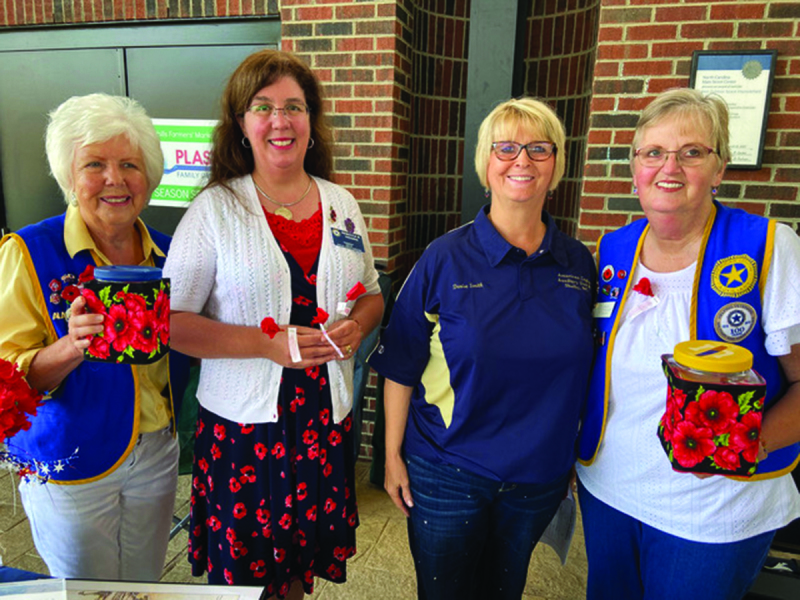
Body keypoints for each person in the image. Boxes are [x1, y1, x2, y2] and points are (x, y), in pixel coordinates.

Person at [163, 49, 383, 599]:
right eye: (263, 107)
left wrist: (358, 325)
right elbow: (169, 322)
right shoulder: (213, 210)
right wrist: (267, 345)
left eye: (294, 107)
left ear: (311, 122)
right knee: (245, 582)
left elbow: (374, 296)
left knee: (294, 576)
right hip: (245, 431)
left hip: (320, 421)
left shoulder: (342, 204)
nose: (280, 121)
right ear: (242, 124)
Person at [576, 88, 800, 600]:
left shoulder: (769, 246)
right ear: (635, 169)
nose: (668, 166)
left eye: (692, 152)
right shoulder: (614, 247)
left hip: (716, 510)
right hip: (609, 490)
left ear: (719, 168)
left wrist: (748, 443)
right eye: (653, 152)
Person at [369, 97, 596, 600]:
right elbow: (401, 366)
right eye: (507, 147)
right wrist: (391, 456)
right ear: (486, 164)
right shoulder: (443, 259)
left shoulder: (580, 264)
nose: (523, 160)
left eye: (539, 148)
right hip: (447, 470)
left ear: (556, 164)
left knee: (504, 590)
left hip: (538, 478)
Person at [0, 93, 190, 580]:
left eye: (130, 163)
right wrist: (71, 346)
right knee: (87, 591)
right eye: (95, 164)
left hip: (155, 453)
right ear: (69, 175)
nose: (115, 179)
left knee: (144, 584)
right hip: (71, 460)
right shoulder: (28, 251)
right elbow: (7, 383)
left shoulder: (172, 256)